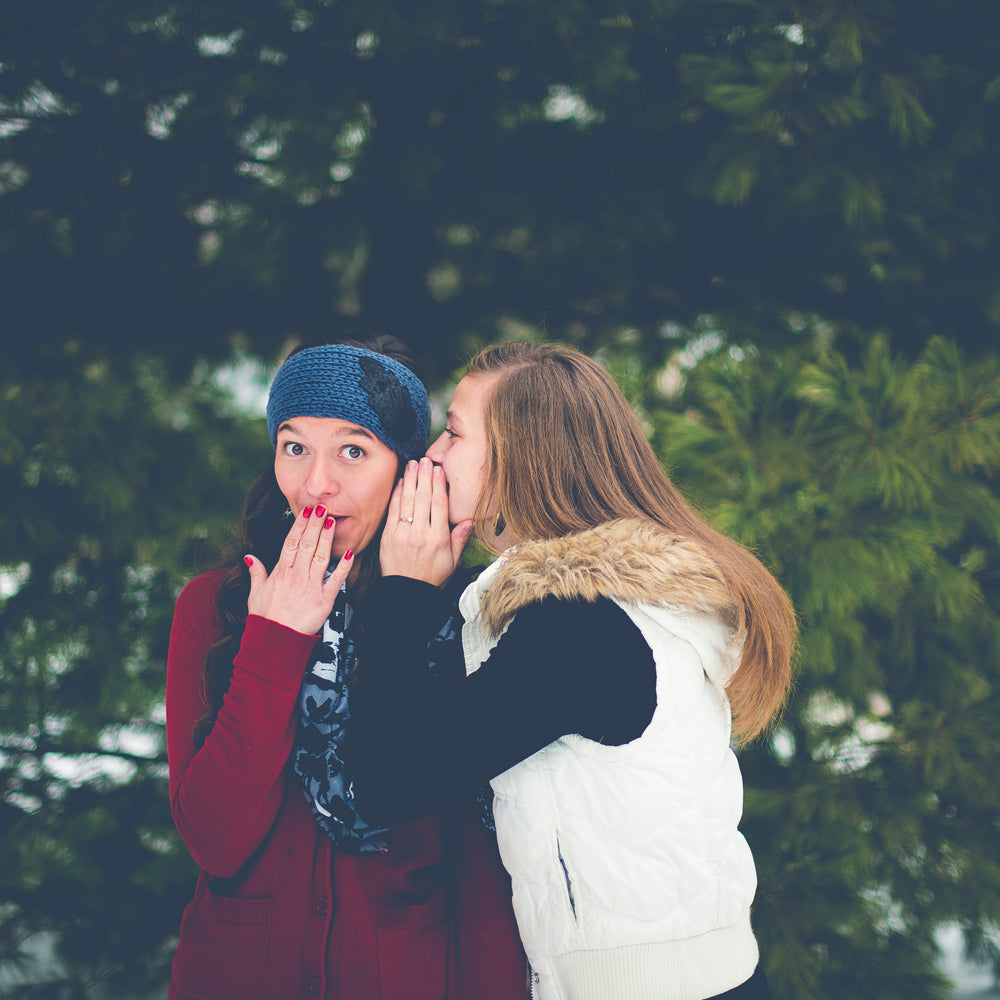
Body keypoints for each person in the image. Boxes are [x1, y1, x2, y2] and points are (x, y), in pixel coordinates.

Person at [340, 340, 797, 1000]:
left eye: (455, 432)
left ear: (519, 458)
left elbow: (384, 784)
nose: (433, 456)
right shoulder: (628, 602)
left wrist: (403, 590)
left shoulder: (577, 629)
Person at [165, 336, 525, 1000]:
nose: (315, 484)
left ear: (408, 470)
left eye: (353, 450)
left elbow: (482, 868)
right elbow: (214, 842)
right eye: (294, 446)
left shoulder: (464, 615)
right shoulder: (214, 608)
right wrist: (273, 642)